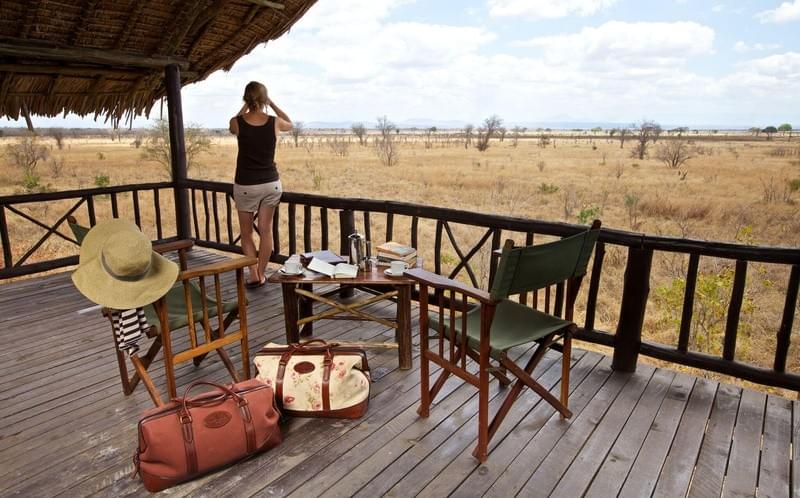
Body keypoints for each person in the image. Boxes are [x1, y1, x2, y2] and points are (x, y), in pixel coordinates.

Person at [229, 81, 292, 287]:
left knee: (246, 233)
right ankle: (263, 273)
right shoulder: (274, 122)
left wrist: (246, 107)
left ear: (246, 98)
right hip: (271, 184)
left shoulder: (238, 122)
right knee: (266, 230)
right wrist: (271, 104)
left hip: (246, 185)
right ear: (264, 99)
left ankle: (254, 273)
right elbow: (290, 123)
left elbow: (231, 127)